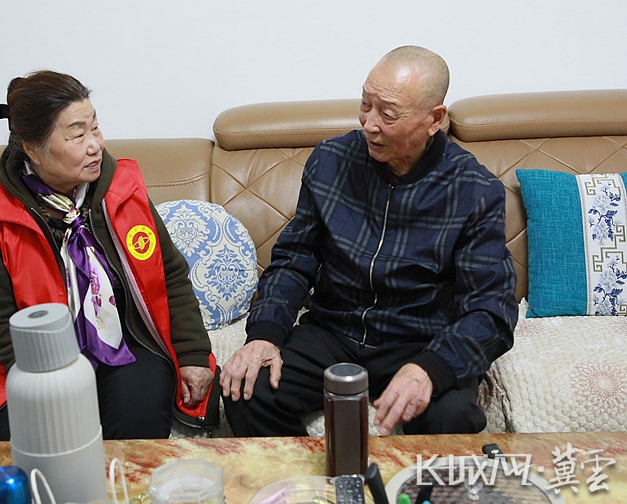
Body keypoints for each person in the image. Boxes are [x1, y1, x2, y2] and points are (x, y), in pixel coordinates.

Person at [220, 46, 518, 436]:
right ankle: (315, 475)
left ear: (434, 119)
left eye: (388, 114)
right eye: (365, 104)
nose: (369, 124)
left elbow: (491, 308)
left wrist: (431, 368)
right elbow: (295, 259)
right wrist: (265, 334)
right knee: (248, 390)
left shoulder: (474, 190)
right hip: (333, 331)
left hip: (420, 340)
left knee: (452, 417)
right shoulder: (331, 160)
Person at [0, 70, 216, 440]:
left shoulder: (123, 190)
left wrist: (193, 354)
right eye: (77, 135)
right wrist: (62, 383)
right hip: (39, 362)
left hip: (128, 343)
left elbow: (170, 275)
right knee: (32, 440)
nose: (95, 144)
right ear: (31, 148)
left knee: (138, 425)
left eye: (95, 128)